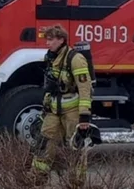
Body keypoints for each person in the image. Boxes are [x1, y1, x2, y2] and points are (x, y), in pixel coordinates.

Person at [30, 25, 93, 175]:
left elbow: (85, 88)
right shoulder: (51, 58)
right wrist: (46, 107)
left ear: (61, 40)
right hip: (53, 110)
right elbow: (49, 87)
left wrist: (84, 116)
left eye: (51, 40)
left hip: (72, 111)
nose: (47, 43)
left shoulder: (76, 59)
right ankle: (36, 181)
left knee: (74, 147)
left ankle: (75, 186)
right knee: (43, 144)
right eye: (47, 40)